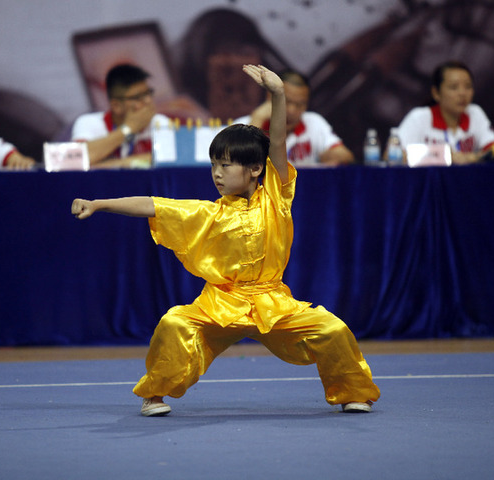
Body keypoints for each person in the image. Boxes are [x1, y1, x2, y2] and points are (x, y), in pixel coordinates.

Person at [71, 65, 380, 417]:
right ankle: (154, 394)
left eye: (227, 165)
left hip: (272, 302)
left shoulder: (277, 196)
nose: (217, 173)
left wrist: (278, 94)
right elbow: (151, 205)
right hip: (219, 304)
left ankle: (353, 392)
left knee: (332, 328)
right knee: (174, 324)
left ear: (255, 170)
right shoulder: (208, 213)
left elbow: (276, 141)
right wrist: (99, 204)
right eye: (214, 164)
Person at [235, 69, 354, 167]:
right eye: (286, 101)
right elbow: (237, 163)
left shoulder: (314, 122)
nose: (292, 111)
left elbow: (346, 156)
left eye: (300, 104)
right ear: (270, 97)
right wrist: (257, 119)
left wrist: (331, 156)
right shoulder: (244, 124)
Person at [396, 60, 494, 165]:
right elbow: (393, 155)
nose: (462, 93)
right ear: (436, 93)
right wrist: (446, 156)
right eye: (454, 87)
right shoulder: (419, 118)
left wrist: (475, 157)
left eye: (468, 86)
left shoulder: (475, 113)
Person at [71, 64, 171, 169]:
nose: (148, 101)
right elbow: (76, 160)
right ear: (116, 106)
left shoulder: (160, 122)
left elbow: (165, 161)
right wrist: (128, 128)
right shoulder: (89, 123)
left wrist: (108, 164)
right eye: (138, 97)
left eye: (148, 93)